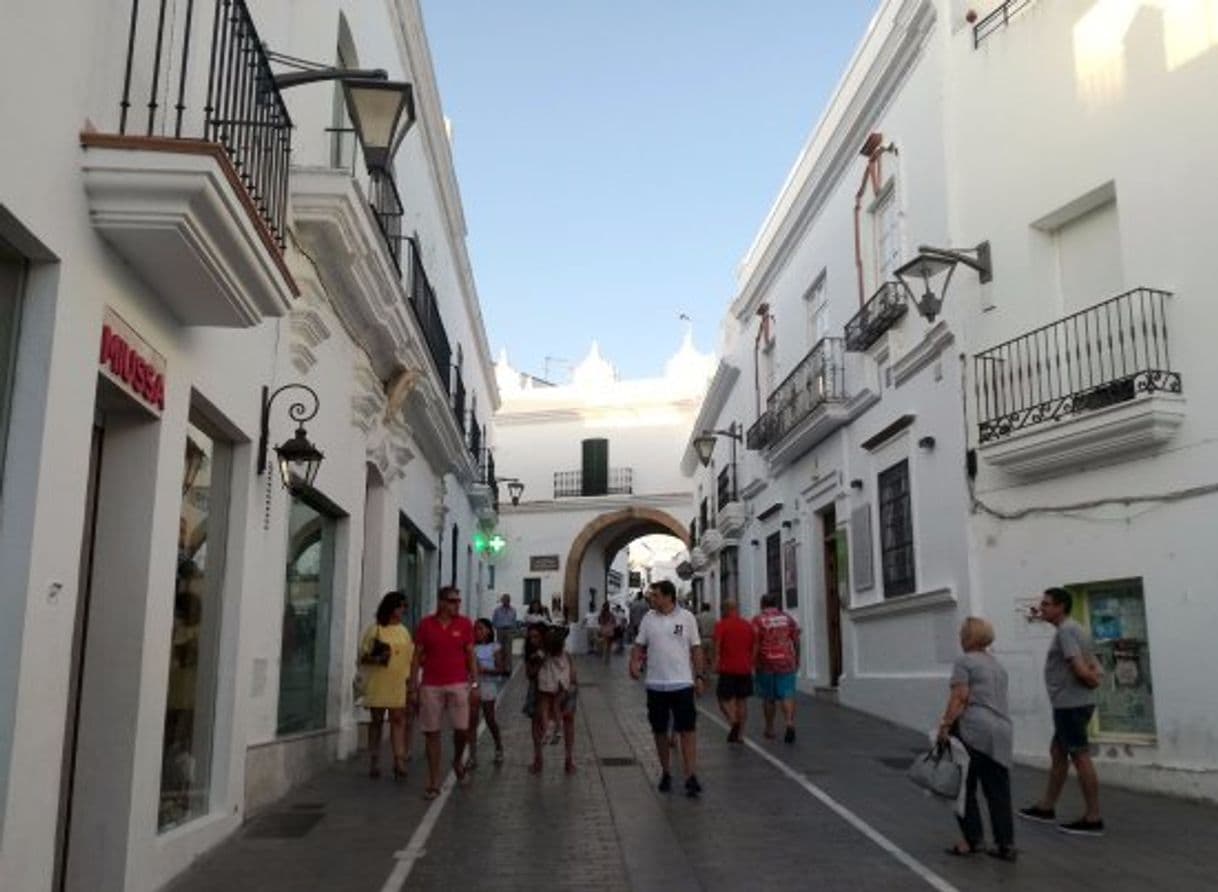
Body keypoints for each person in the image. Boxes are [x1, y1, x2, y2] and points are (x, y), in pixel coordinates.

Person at [1019, 587, 1105, 835]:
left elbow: (1078, 666)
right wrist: (1093, 678)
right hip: (1073, 702)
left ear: (1060, 607)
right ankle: (1046, 807)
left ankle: (1093, 817)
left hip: (1071, 704)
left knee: (1079, 755)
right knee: (1058, 752)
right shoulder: (1075, 628)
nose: (1042, 608)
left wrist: (1089, 680)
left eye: (1046, 604)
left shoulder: (1067, 631)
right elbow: (1095, 663)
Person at [938, 617, 1016, 861]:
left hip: (975, 729)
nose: (960, 636)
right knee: (998, 790)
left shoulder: (964, 662)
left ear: (969, 636)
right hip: (1002, 730)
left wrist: (946, 725)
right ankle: (1006, 844)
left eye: (963, 632)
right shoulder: (997, 665)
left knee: (963, 787)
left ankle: (973, 840)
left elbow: (960, 697)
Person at [630, 580, 705, 797]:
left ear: (668, 596)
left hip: (682, 683)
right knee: (660, 731)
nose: (651, 599)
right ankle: (666, 772)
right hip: (655, 684)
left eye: (655, 596)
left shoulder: (687, 618)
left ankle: (690, 775)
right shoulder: (648, 618)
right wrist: (634, 663)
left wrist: (699, 676)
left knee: (687, 731)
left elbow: (696, 648)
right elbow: (639, 645)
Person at [408, 586, 478, 800]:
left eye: (458, 601)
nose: (457, 605)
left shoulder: (465, 624)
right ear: (441, 602)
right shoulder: (426, 625)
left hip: (458, 683)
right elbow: (417, 655)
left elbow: (470, 654)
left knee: (462, 730)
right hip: (431, 684)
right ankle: (433, 780)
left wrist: (474, 683)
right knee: (432, 732)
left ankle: (457, 759)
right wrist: (413, 685)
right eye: (452, 601)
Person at [359, 591, 415, 780]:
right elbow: (363, 655)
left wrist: (411, 682)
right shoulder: (375, 630)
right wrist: (377, 657)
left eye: (404, 607)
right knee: (376, 721)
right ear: (391, 608)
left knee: (398, 720)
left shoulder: (404, 631)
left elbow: (409, 657)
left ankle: (398, 760)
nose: (403, 610)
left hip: (398, 682)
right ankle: (374, 758)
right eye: (400, 606)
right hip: (378, 681)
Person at [753, 593, 801, 743]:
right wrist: (797, 658)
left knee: (769, 698)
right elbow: (796, 640)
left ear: (762, 604)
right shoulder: (787, 619)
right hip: (786, 661)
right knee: (787, 695)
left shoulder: (758, 620)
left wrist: (753, 662)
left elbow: (755, 643)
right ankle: (789, 722)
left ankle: (770, 728)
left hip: (766, 663)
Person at [531, 624, 578, 775]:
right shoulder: (565, 655)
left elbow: (533, 661)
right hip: (562, 686)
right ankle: (557, 729)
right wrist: (571, 684)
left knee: (544, 710)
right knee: (558, 709)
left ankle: (548, 730)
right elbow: (573, 674)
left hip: (546, 686)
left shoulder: (544, 654)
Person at [713, 599, 755, 744]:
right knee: (742, 701)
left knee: (722, 698)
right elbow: (754, 646)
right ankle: (740, 735)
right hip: (744, 668)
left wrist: (716, 662)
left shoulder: (721, 625)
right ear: (736, 609)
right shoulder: (747, 625)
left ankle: (733, 721)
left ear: (725, 609)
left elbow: (717, 646)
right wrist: (751, 662)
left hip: (727, 668)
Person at [468, 618, 508, 769]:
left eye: (481, 629)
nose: (478, 632)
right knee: (472, 721)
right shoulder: (471, 647)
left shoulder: (494, 647)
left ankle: (498, 745)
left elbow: (500, 668)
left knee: (490, 719)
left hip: (488, 685)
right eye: (476, 629)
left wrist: (484, 670)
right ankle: (472, 755)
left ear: (489, 631)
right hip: (472, 685)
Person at [491, 594, 517, 667]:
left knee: (508, 649)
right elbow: (494, 620)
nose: (505, 601)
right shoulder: (497, 610)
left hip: (509, 630)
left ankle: (508, 666)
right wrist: (496, 627)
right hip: (500, 630)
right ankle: (500, 665)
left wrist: (513, 631)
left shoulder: (513, 610)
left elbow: (514, 621)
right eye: (504, 599)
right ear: (502, 601)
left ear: (509, 600)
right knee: (500, 648)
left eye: (507, 599)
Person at [697, 603, 716, 669]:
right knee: (711, 656)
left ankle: (704, 671)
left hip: (702, 638)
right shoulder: (714, 618)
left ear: (702, 608)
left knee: (702, 656)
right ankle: (711, 670)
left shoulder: (698, 617)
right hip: (711, 639)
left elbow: (697, 628)